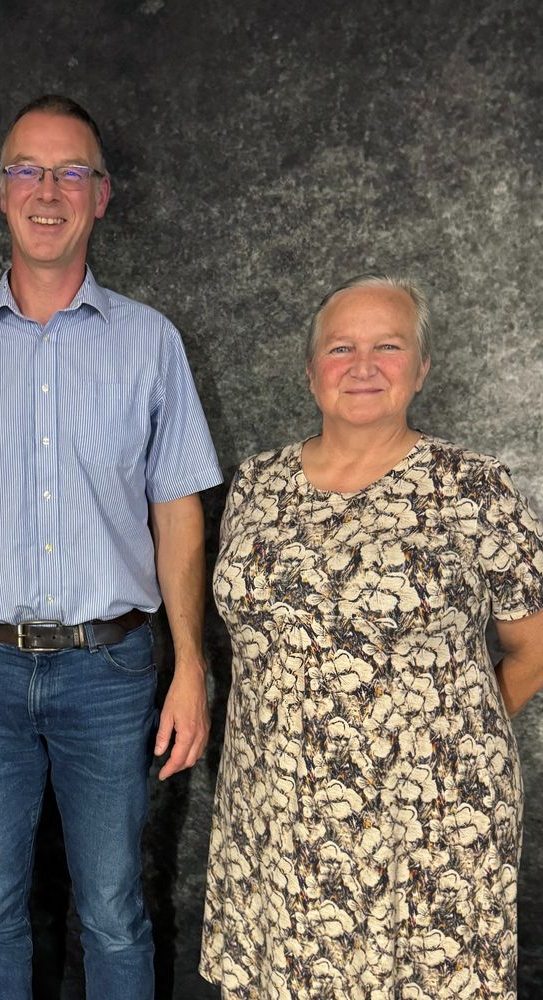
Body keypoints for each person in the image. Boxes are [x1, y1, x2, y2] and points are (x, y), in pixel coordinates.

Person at [0, 94, 222, 999]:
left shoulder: (151, 345)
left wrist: (191, 666)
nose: (48, 190)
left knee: (113, 909)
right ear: (1, 193)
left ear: (102, 196)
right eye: (27, 170)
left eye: (71, 171)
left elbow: (178, 509)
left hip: (110, 674)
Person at [200, 273, 543, 998]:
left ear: (421, 368)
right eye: (340, 348)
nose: (362, 367)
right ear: (310, 370)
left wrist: (441, 741)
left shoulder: (472, 486)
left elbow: (534, 646)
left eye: (388, 347)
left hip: (429, 823)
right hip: (276, 808)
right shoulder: (255, 485)